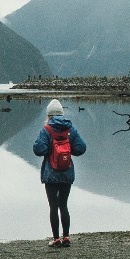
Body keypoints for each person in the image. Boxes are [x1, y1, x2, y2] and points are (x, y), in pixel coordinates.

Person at [31, 98, 86, 247]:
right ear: (62, 113)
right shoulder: (71, 129)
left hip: (51, 174)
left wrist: (50, 150)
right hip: (67, 172)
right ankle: (66, 238)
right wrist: (68, 151)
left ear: (48, 115)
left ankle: (56, 239)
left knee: (53, 206)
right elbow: (81, 148)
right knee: (64, 205)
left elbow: (38, 149)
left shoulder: (47, 130)